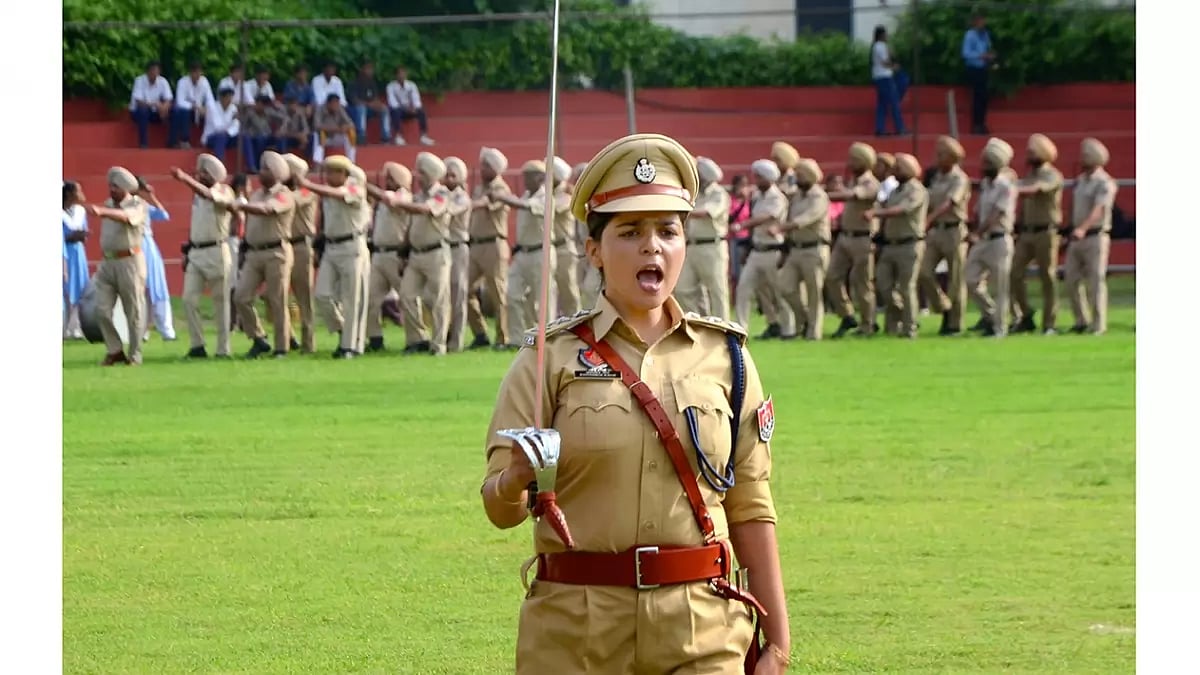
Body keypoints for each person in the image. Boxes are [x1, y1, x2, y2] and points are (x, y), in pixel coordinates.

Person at [480, 132, 791, 674]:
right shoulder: (548, 359)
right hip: (576, 632)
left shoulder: (728, 357)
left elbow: (750, 505)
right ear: (594, 250)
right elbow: (498, 508)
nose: (653, 247)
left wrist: (778, 641)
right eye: (630, 232)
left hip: (702, 628)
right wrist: (517, 479)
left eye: (668, 231)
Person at [304, 155, 371, 358]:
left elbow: (340, 194)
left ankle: (349, 347)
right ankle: (343, 329)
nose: (328, 176)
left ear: (343, 174)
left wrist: (307, 184)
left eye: (333, 172)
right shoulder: (328, 194)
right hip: (332, 247)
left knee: (351, 299)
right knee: (322, 295)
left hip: (352, 247)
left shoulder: (355, 190)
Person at [231, 151, 297, 358]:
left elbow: (268, 209)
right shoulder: (256, 194)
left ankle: (282, 347)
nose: (261, 172)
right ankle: (258, 337)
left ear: (277, 172)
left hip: (277, 251)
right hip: (254, 252)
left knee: (277, 300)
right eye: (261, 168)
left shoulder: (284, 194)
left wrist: (242, 206)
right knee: (241, 296)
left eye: (266, 169)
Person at [172, 154, 236, 358]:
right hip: (197, 252)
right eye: (199, 172)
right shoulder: (197, 196)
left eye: (204, 172)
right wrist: (188, 251)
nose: (199, 175)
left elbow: (210, 195)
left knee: (221, 303)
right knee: (188, 299)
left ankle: (223, 348)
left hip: (217, 251)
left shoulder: (224, 191)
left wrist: (184, 179)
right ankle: (197, 344)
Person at [88, 167, 149, 365]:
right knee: (101, 309)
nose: (111, 190)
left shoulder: (137, 204)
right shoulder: (108, 204)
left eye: (115, 186)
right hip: (107, 262)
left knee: (133, 310)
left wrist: (102, 212)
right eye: (110, 186)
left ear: (126, 188)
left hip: (130, 262)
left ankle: (135, 354)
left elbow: (126, 217)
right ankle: (114, 349)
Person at [865, 153, 928, 338]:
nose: (894, 171)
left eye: (898, 168)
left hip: (909, 243)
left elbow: (903, 209)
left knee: (907, 288)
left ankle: (909, 328)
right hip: (891, 244)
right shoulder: (894, 191)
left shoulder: (916, 190)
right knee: (883, 284)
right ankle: (902, 315)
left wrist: (877, 213)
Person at [1011, 133, 1065, 335]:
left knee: (1047, 277)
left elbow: (1036, 190)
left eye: (1032, 152)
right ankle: (1026, 313)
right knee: (1014, 273)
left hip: (1046, 231)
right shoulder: (1028, 176)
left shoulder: (1052, 175)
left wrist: (1012, 189)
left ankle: (1049, 323)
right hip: (1027, 232)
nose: (1028, 156)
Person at [826, 142, 882, 337]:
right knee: (832, 276)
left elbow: (853, 196)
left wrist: (828, 195)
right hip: (845, 236)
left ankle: (868, 324)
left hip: (862, 238)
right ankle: (847, 314)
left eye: (853, 160)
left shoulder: (870, 183)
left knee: (862, 283)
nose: (849, 163)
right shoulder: (853, 181)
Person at [1064, 137, 1118, 335]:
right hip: (1077, 236)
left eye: (1086, 155)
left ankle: (1098, 324)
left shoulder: (1105, 183)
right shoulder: (1080, 181)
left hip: (1095, 235)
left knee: (1096, 280)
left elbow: (1099, 209)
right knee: (1071, 278)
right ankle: (1081, 320)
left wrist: (1083, 228)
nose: (1082, 158)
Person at [919, 136, 972, 336]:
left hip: (954, 230)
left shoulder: (960, 178)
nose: (937, 158)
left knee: (955, 278)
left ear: (951, 157)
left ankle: (954, 324)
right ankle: (943, 305)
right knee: (924, 271)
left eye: (941, 154)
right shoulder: (937, 178)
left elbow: (950, 202)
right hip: (937, 231)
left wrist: (929, 218)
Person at [965, 138, 1017, 337]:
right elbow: (980, 211)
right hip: (984, 239)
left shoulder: (1006, 186)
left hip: (999, 239)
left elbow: (997, 213)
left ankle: (1000, 328)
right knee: (970, 279)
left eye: (987, 163)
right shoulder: (986, 184)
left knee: (1001, 286)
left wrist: (977, 233)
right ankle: (991, 313)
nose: (983, 166)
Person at [777, 158, 831, 340]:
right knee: (785, 286)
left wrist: (783, 227)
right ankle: (804, 319)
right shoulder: (797, 196)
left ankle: (814, 332)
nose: (797, 179)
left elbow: (808, 217)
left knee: (814, 292)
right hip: (796, 249)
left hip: (814, 249)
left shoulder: (819, 196)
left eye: (800, 175)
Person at [466, 147, 514, 349]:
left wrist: (466, 205)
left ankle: (503, 337)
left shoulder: (501, 189)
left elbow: (485, 204)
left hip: (494, 244)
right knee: (463, 289)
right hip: (476, 245)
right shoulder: (479, 188)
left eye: (486, 165)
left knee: (498, 293)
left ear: (496, 168)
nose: (482, 168)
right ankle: (480, 333)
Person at [364, 162, 414, 352]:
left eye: (391, 178)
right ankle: (375, 338)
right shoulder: (385, 200)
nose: (388, 182)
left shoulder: (404, 196)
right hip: (379, 254)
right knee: (371, 298)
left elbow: (389, 199)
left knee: (407, 299)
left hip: (395, 254)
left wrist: (364, 184)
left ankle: (415, 339)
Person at [677, 156, 731, 319]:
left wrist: (682, 210)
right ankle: (698, 323)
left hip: (712, 247)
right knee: (683, 289)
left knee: (717, 290)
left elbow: (707, 212)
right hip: (691, 246)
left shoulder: (718, 193)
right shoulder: (694, 194)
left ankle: (723, 328)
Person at [135, 177, 177, 341]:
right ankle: (141, 328)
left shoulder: (145, 206)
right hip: (133, 245)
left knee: (155, 287)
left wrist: (151, 197)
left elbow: (163, 215)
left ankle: (165, 328)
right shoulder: (125, 206)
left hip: (147, 246)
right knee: (138, 290)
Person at [62, 181, 90, 340]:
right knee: (65, 289)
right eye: (77, 191)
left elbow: (83, 231)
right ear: (69, 194)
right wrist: (70, 237)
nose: (81, 193)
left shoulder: (80, 211)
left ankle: (76, 326)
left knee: (80, 288)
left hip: (78, 253)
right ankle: (65, 326)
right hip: (65, 253)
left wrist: (82, 236)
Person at [962, 13, 997, 135]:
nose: (983, 23)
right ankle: (976, 125)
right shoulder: (970, 35)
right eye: (981, 21)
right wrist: (980, 56)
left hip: (984, 68)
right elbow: (966, 53)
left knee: (984, 97)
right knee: (977, 96)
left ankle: (982, 123)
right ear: (975, 22)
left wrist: (990, 55)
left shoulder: (985, 35)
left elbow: (988, 48)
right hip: (974, 68)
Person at [870, 26, 907, 136]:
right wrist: (893, 66)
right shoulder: (880, 46)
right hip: (884, 77)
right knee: (894, 102)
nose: (887, 36)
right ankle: (900, 128)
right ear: (881, 35)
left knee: (882, 104)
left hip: (879, 77)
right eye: (885, 34)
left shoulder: (879, 46)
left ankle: (880, 128)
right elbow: (885, 62)